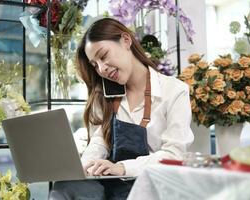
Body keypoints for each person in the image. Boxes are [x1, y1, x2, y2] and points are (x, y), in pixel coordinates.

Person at [49, 17, 194, 200]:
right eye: (95, 65)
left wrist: (123, 167)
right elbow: (99, 141)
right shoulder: (104, 94)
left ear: (126, 40)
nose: (102, 68)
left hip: (154, 186)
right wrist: (84, 166)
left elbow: (174, 154)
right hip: (112, 186)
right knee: (65, 187)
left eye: (103, 56)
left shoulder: (174, 90)